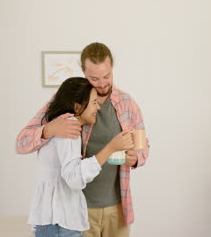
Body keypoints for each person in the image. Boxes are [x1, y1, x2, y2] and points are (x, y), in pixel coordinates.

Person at [17, 42, 149, 237]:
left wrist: (136, 158)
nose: (103, 83)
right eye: (94, 78)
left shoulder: (127, 103)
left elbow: (144, 143)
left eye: (107, 76)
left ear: (112, 68)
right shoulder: (71, 100)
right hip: (79, 209)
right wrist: (49, 129)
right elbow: (22, 141)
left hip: (118, 207)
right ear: (83, 71)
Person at [28, 77, 134, 237]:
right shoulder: (68, 127)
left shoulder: (60, 125)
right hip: (60, 224)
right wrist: (111, 148)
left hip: (56, 222)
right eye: (93, 102)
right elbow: (74, 178)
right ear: (78, 107)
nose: (97, 107)